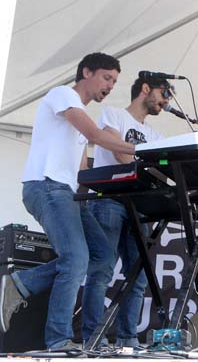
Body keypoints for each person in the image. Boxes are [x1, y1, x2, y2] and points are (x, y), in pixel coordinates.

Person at [0, 53, 135, 350]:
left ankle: (24, 286)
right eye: (106, 77)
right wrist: (142, 151)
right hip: (46, 187)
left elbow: (83, 171)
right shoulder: (63, 94)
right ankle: (59, 340)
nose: (110, 86)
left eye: (114, 81)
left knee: (101, 257)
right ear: (86, 72)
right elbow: (96, 135)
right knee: (75, 260)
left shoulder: (78, 120)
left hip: (67, 194)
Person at [81, 76, 172, 347]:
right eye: (164, 93)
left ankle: (127, 339)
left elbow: (161, 173)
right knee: (102, 270)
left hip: (139, 205)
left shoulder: (156, 135)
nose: (166, 101)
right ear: (146, 89)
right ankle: (93, 339)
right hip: (109, 199)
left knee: (139, 274)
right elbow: (121, 157)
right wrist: (142, 163)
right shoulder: (113, 114)